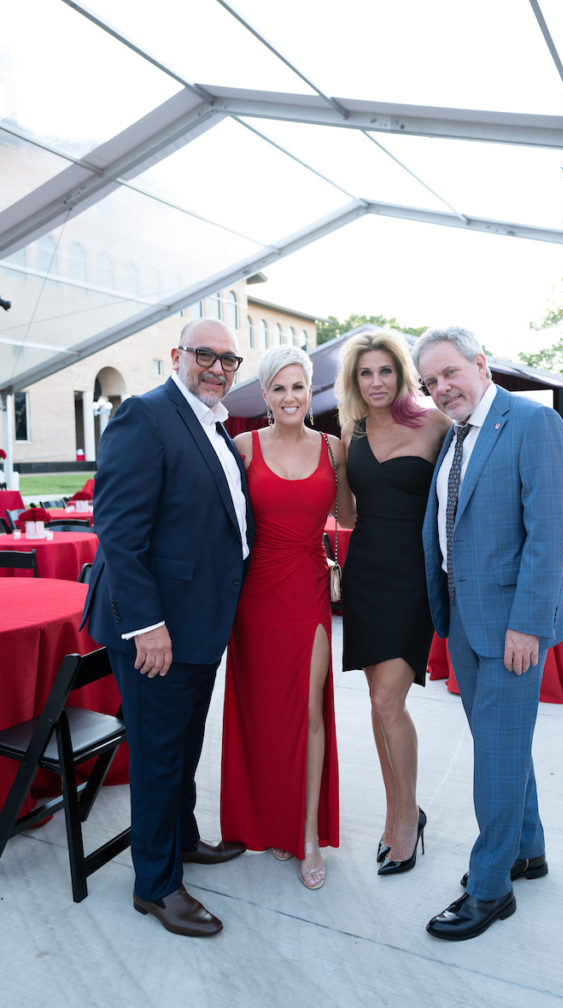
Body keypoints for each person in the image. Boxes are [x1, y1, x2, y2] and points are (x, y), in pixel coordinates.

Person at [81, 318, 254, 938]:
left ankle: (181, 841)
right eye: (205, 355)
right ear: (178, 356)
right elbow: (120, 534)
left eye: (228, 360)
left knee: (183, 747)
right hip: (158, 629)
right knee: (158, 755)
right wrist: (147, 624)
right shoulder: (145, 416)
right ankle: (154, 885)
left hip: (200, 622)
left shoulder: (216, 426)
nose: (217, 368)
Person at [413, 326, 563, 941]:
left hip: (513, 625)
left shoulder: (532, 424)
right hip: (465, 618)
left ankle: (490, 889)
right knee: (504, 745)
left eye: (449, 373)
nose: (442, 388)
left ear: (480, 364)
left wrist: (529, 625)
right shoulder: (455, 438)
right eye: (431, 382)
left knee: (495, 755)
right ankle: (527, 851)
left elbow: (547, 533)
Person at [220, 345, 354, 890]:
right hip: (254, 598)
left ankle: (307, 836)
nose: (290, 396)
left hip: (306, 592)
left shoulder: (334, 448)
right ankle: (273, 822)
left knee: (308, 712)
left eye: (298, 386)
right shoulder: (242, 447)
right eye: (279, 388)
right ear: (265, 396)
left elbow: (347, 515)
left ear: (310, 393)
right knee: (263, 715)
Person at [334, 330, 451, 876]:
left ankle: (408, 820)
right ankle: (396, 810)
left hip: (412, 580)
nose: (376, 382)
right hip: (364, 578)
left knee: (388, 703)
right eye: (365, 373)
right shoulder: (351, 430)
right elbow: (349, 515)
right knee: (378, 706)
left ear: (402, 374)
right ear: (354, 380)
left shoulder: (435, 425)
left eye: (385, 371)